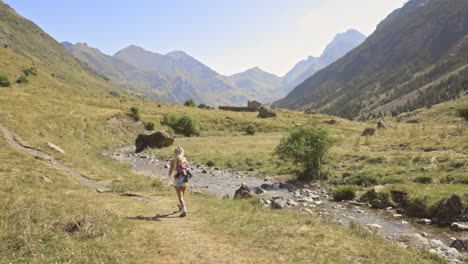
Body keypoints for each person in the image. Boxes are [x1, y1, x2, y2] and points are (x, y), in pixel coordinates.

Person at [168, 147, 191, 217]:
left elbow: (170, 173)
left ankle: (184, 210)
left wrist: (171, 176)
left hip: (177, 179)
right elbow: (188, 170)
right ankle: (181, 206)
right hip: (185, 179)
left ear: (175, 153)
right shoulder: (185, 160)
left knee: (180, 196)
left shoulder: (173, 161)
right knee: (182, 195)